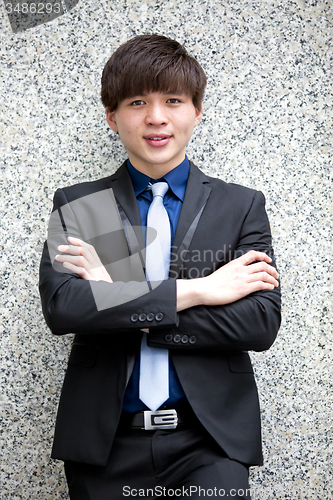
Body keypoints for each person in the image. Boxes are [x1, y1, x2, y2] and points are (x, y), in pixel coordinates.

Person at [39, 34, 281, 500]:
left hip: (209, 444)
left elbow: (259, 322)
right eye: (136, 102)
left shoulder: (241, 206)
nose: (156, 117)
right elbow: (65, 307)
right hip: (106, 446)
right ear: (112, 117)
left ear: (196, 111)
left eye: (173, 100)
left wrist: (118, 295)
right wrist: (200, 290)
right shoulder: (80, 205)